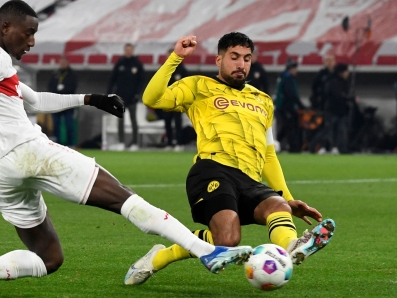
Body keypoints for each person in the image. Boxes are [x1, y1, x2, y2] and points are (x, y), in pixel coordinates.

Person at [0, 2, 252, 296]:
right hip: (27, 153)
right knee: (123, 198)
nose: (31, 42)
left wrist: (91, 99)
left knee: (49, 258)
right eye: (28, 34)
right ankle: (207, 252)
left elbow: (36, 100)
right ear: (5, 28)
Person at [124, 33, 335, 286]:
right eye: (234, 58)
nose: (241, 64)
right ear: (219, 60)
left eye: (246, 59)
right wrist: (176, 57)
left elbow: (268, 153)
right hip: (212, 169)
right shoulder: (198, 86)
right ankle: (160, 257)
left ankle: (293, 246)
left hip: (248, 177)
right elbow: (152, 99)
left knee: (277, 206)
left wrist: (289, 199)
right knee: (227, 241)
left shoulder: (263, 100)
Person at [308, 63, 355, 154]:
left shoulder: (340, 82)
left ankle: (343, 149)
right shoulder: (333, 82)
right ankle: (313, 146)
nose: (348, 73)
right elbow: (337, 95)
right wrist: (350, 98)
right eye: (346, 71)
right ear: (341, 72)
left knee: (341, 131)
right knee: (327, 131)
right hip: (332, 111)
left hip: (340, 111)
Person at [107, 43, 145, 151]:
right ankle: (121, 142)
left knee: (133, 120)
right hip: (120, 97)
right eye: (126, 49)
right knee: (120, 120)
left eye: (130, 49)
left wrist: (137, 94)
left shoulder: (137, 64)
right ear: (124, 50)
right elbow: (112, 79)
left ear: (132, 50)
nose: (128, 51)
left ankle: (135, 143)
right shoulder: (120, 63)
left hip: (132, 98)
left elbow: (142, 80)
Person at [274, 58, 306, 152]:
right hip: (286, 108)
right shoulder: (288, 79)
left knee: (284, 128)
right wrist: (301, 106)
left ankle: (277, 144)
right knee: (290, 128)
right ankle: (293, 148)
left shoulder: (283, 77)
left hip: (281, 107)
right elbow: (291, 95)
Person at [161, 48, 188, 151]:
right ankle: (169, 143)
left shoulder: (182, 69)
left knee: (178, 122)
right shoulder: (164, 69)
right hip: (167, 101)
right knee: (167, 122)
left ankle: (179, 143)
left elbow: (186, 85)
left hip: (178, 101)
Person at [48, 56, 77, 147]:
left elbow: (73, 88)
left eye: (64, 62)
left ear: (67, 62)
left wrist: (62, 90)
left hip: (68, 103)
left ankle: (70, 144)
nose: (62, 64)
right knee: (56, 125)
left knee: (69, 125)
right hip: (56, 103)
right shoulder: (55, 74)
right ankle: (57, 145)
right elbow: (50, 87)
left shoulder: (72, 74)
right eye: (61, 62)